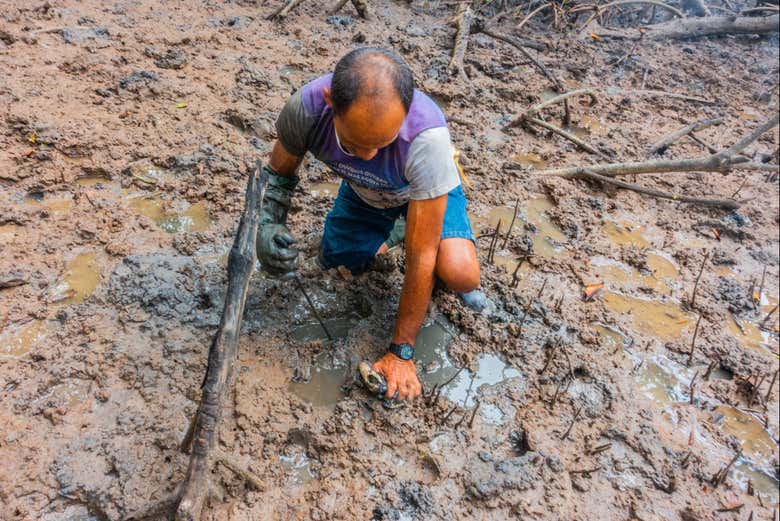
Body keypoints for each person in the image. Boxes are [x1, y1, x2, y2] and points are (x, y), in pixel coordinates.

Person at [257, 47, 487, 401]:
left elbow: (421, 255)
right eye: (354, 144)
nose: (368, 156)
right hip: (366, 195)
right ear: (330, 102)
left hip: (426, 195)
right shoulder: (306, 110)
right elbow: (277, 175)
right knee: (338, 261)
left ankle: (408, 229)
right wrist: (267, 226)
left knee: (459, 273)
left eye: (382, 144)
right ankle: (395, 231)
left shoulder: (428, 140)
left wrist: (401, 352)